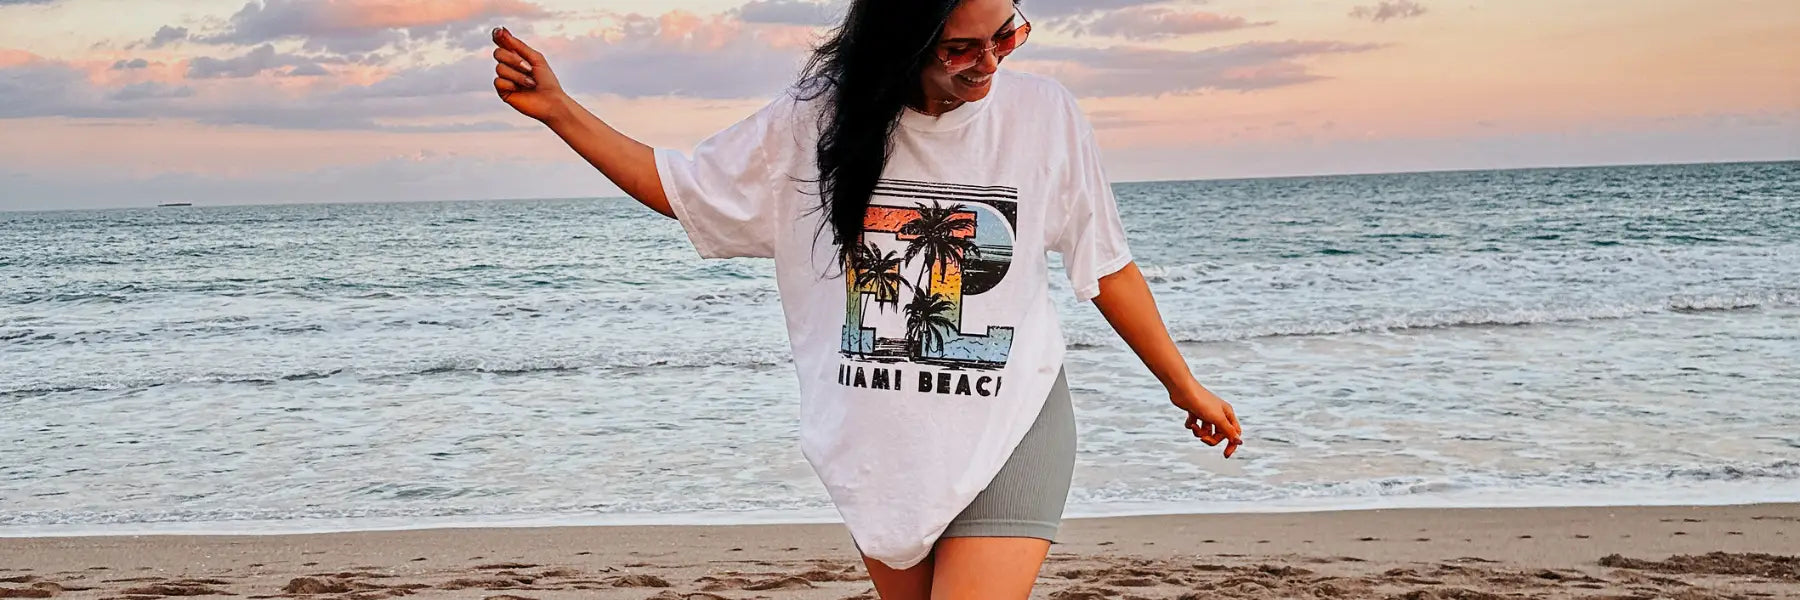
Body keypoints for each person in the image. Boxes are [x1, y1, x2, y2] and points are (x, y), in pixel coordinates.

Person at [487, 0, 1243, 597]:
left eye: (1006, 36)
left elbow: (1105, 265)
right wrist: (560, 110)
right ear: (902, 44)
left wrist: (1182, 384)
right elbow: (684, 188)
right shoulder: (814, 119)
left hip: (1012, 421)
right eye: (960, 48)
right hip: (882, 445)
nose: (990, 62)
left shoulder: (1045, 115)